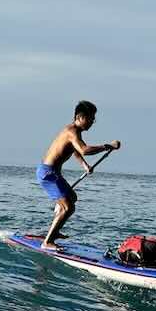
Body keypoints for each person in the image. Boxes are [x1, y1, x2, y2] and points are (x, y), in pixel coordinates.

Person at [37, 100, 120, 250]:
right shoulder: (72, 131)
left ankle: (54, 233)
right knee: (67, 208)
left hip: (52, 172)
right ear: (80, 117)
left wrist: (85, 165)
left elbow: (74, 150)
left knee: (72, 198)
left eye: (93, 119)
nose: (92, 122)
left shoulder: (74, 132)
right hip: (47, 173)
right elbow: (84, 150)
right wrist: (107, 146)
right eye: (90, 118)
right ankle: (47, 241)